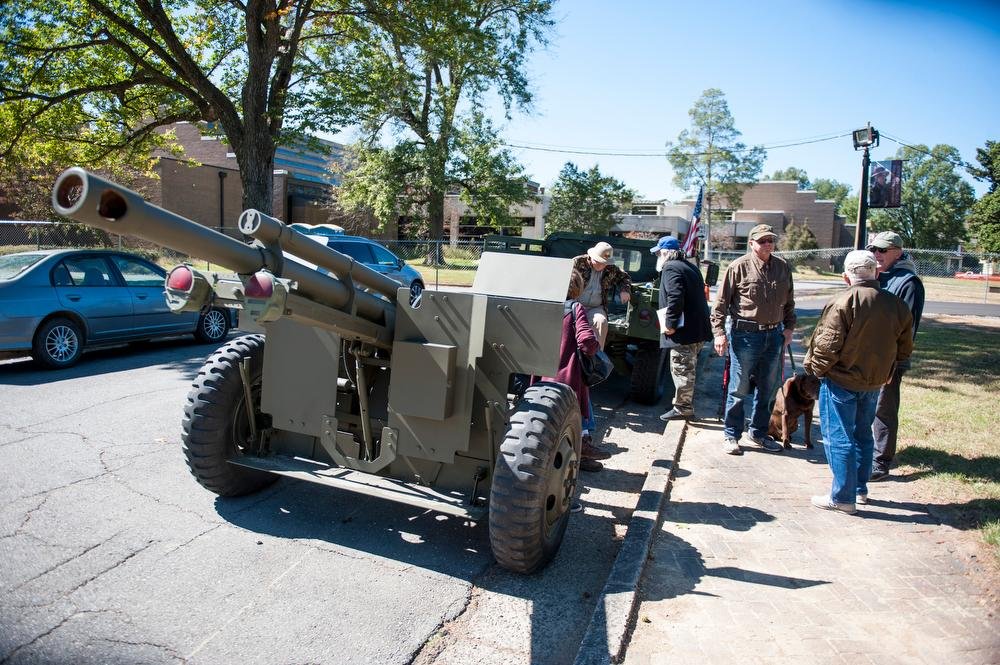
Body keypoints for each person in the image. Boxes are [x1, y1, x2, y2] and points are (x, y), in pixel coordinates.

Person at [803, 250, 913, 513]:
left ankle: (843, 497)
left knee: (839, 438)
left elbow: (826, 346)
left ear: (846, 276)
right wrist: (889, 370)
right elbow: (905, 347)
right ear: (876, 272)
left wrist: (815, 371)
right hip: (874, 382)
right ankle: (859, 490)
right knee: (863, 435)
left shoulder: (843, 301)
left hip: (841, 380)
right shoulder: (896, 304)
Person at [710, 224, 796, 455]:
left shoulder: (782, 267)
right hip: (745, 336)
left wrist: (789, 328)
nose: (768, 244)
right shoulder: (738, 267)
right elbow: (720, 305)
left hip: (774, 335)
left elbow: (789, 303)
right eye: (762, 241)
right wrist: (719, 333)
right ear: (751, 244)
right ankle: (731, 434)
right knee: (739, 388)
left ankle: (758, 432)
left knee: (768, 388)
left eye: (770, 240)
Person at [534, 269, 608, 473]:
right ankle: (581, 448)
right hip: (566, 376)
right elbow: (586, 341)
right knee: (579, 411)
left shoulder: (541, 307)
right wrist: (595, 349)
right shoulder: (575, 307)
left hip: (541, 376)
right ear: (577, 288)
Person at [866, 231, 925, 481]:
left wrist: (891, 361)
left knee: (883, 409)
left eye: (882, 250)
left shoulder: (908, 282)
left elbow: (905, 327)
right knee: (865, 407)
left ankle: (880, 461)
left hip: (889, 359)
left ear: (898, 253)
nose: (876, 254)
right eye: (873, 250)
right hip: (866, 356)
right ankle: (866, 454)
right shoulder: (877, 276)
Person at [650, 236, 712, 421]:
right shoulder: (690, 267)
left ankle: (682, 408)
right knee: (688, 367)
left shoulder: (670, 267)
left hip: (684, 331)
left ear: (665, 253)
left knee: (682, 368)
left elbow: (675, 297)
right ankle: (683, 404)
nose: (658, 257)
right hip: (697, 329)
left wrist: (670, 324)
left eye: (658, 253)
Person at [572, 241, 632, 349]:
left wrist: (625, 290)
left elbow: (624, 277)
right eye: (598, 261)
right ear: (591, 257)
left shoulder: (610, 268)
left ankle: (596, 355)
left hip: (595, 307)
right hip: (575, 305)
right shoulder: (577, 262)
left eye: (604, 263)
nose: (601, 265)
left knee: (601, 321)